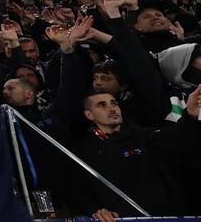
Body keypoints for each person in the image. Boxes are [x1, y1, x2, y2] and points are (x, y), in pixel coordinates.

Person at [73, 86, 201, 219]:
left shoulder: (144, 136)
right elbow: (79, 190)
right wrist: (95, 210)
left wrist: (191, 114)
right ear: (89, 114)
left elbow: (178, 137)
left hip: (161, 218)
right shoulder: (82, 151)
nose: (112, 108)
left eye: (114, 103)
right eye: (102, 105)